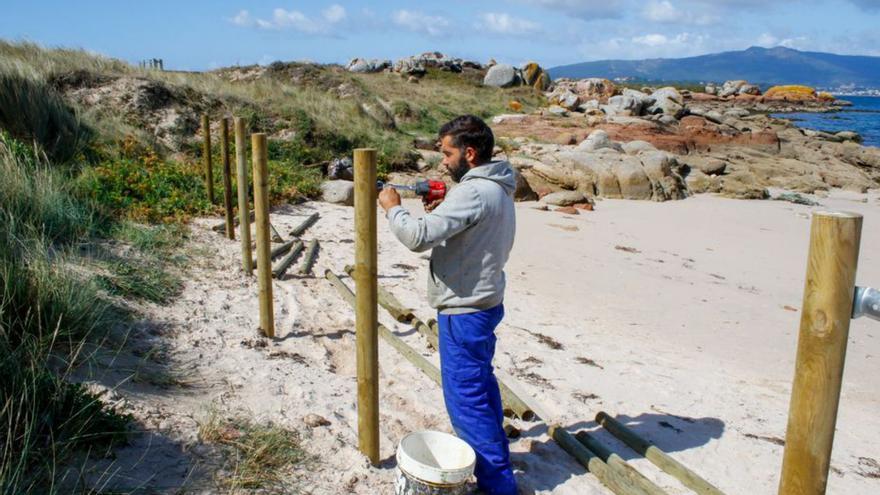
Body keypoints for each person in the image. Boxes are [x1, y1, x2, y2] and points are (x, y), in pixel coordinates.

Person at [378, 115, 517, 495]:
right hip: (486, 302)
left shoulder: (471, 193)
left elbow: (418, 237)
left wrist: (393, 207)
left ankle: (498, 487)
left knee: (467, 405)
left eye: (447, 153)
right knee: (482, 389)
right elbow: (466, 227)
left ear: (469, 154)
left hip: (465, 311)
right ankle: (500, 468)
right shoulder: (498, 184)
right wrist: (441, 205)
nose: (442, 161)